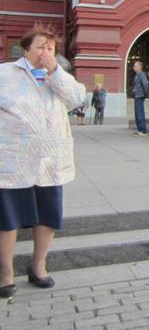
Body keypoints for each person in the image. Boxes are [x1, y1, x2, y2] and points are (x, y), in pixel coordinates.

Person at [0, 23, 86, 298]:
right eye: (40, 47)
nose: (45, 52)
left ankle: (38, 267)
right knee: (7, 220)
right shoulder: (5, 73)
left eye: (50, 48)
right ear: (26, 49)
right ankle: (5, 273)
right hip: (12, 161)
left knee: (47, 217)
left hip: (51, 160)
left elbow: (77, 99)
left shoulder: (59, 76)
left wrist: (55, 72)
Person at [132, 61, 149, 136]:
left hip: (140, 95)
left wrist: (146, 94)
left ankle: (142, 130)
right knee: (138, 113)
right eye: (134, 66)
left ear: (140, 67)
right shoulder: (137, 75)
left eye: (135, 66)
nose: (134, 67)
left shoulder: (141, 74)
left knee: (139, 113)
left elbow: (146, 83)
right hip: (137, 95)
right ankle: (141, 129)